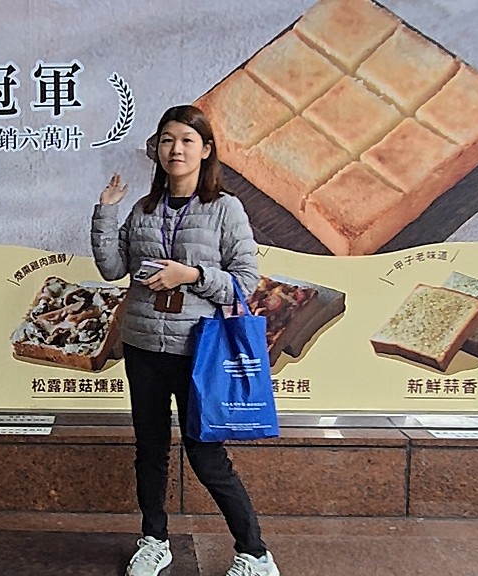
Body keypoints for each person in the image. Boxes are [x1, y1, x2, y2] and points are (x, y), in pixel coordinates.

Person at [90, 105, 280, 576]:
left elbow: (245, 282)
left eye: (187, 140)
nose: (175, 149)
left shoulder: (225, 208)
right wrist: (106, 211)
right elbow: (112, 269)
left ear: (206, 150)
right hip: (142, 347)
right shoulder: (143, 209)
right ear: (157, 149)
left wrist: (191, 275)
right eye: (167, 140)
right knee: (150, 450)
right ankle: (154, 540)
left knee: (206, 455)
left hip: (199, 352)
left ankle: (255, 554)